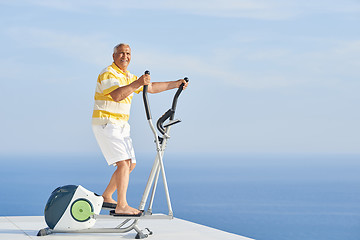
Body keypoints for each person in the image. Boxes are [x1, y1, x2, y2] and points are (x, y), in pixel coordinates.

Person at [92, 43, 188, 216]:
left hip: (120, 125)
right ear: (114, 56)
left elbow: (150, 88)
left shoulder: (127, 76)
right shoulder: (108, 73)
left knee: (130, 164)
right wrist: (137, 83)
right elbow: (117, 95)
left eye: (128, 53)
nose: (125, 56)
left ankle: (107, 195)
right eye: (121, 53)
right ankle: (122, 206)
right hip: (107, 122)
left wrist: (175, 84)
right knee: (123, 164)